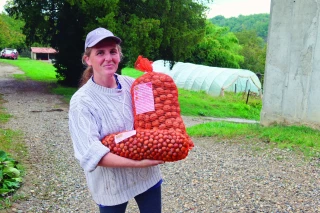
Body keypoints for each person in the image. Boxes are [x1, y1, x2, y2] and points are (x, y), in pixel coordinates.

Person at [68, 27, 164, 213]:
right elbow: (90, 153)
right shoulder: (82, 101)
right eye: (100, 53)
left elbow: (151, 122)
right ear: (87, 59)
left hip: (147, 175)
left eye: (113, 51)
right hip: (111, 184)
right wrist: (137, 163)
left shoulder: (134, 85)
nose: (108, 57)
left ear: (119, 55)